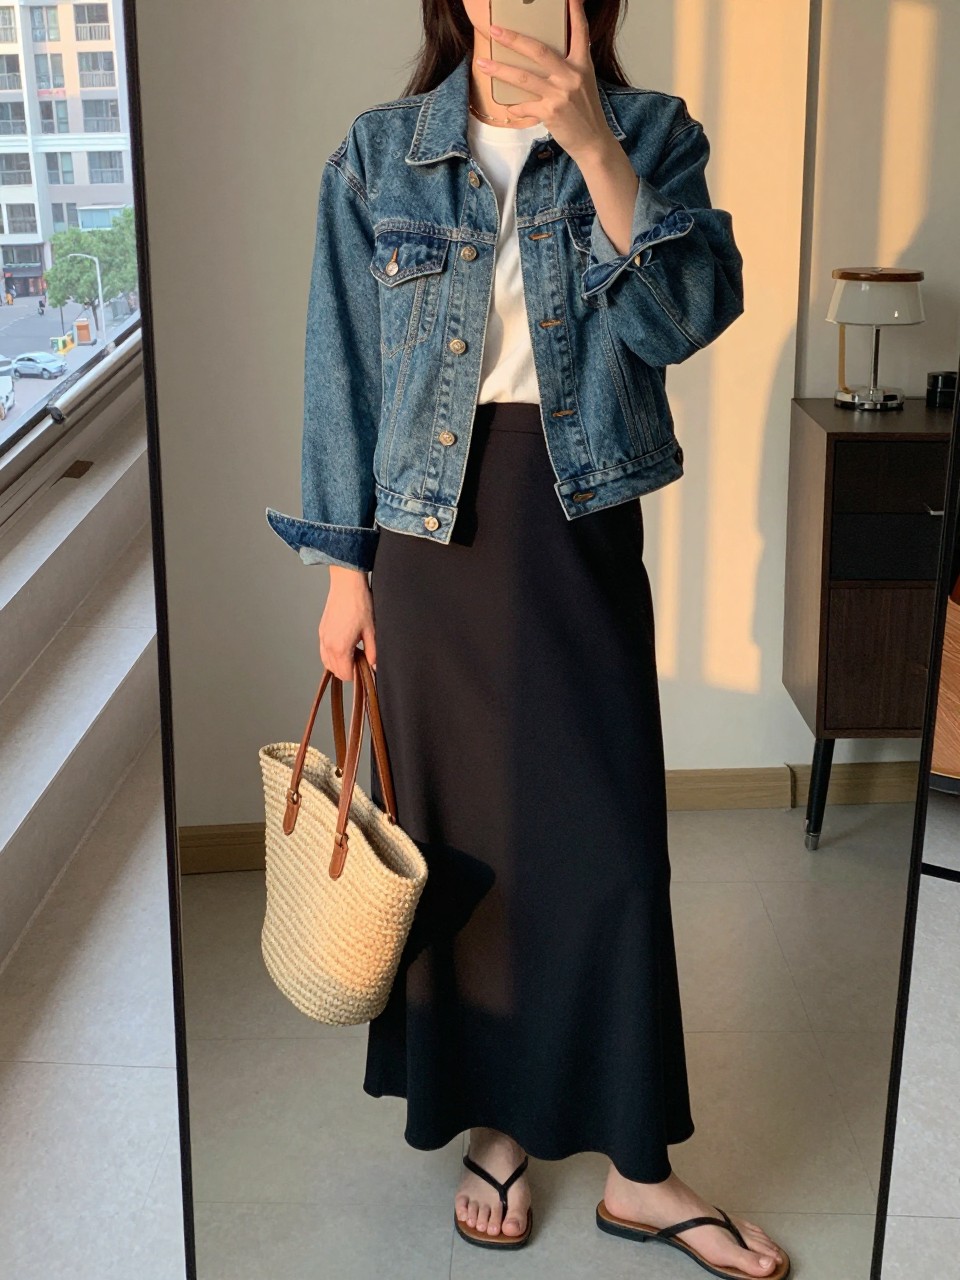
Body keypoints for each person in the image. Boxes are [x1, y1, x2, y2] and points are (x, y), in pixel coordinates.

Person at [265, 1, 788, 1276]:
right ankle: (494, 1124)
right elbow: (341, 366)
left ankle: (640, 1172)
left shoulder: (654, 133)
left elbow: (686, 315)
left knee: (609, 853)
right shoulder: (378, 152)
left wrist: (595, 144)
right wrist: (344, 573)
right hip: (424, 545)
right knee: (463, 852)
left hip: (576, 525)